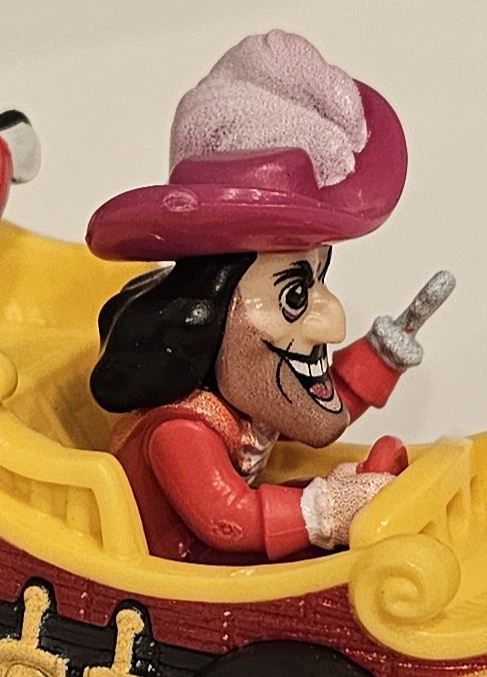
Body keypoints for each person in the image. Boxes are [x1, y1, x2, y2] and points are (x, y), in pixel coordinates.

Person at [86, 32, 442, 564]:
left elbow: (316, 405)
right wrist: (328, 510)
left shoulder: (249, 400)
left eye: (319, 279)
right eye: (295, 295)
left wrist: (382, 354)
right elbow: (229, 520)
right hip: (184, 564)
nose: (334, 320)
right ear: (214, 312)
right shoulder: (181, 430)